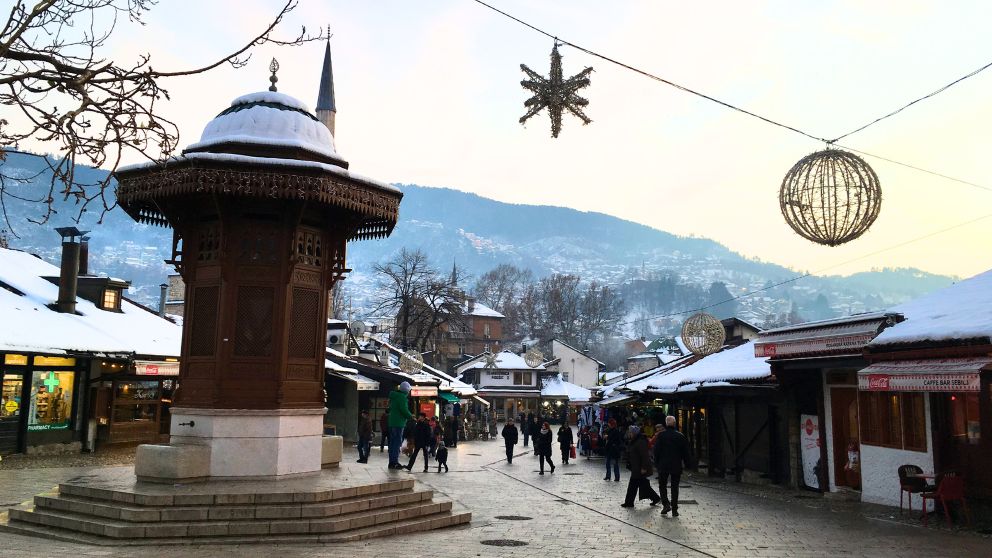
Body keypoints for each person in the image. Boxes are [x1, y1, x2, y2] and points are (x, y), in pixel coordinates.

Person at [654, 415, 692, 516]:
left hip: (663, 465)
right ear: (674, 424)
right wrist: (688, 464)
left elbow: (656, 451)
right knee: (675, 487)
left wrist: (656, 463)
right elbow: (685, 452)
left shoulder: (661, 436)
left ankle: (666, 504)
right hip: (676, 465)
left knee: (662, 485)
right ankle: (674, 509)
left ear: (666, 424)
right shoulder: (680, 436)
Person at [621, 425, 661, 508]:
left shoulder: (640, 441)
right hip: (636, 467)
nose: (629, 433)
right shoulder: (634, 440)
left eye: (631, 432)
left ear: (634, 433)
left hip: (640, 468)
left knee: (635, 485)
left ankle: (629, 502)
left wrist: (644, 468)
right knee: (641, 485)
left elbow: (644, 456)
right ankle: (655, 498)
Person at [387, 381, 414, 469]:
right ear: (406, 390)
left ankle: (391, 462)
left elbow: (390, 408)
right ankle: (394, 462)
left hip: (392, 422)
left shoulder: (394, 397)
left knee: (392, 443)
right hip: (398, 423)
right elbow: (404, 410)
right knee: (396, 443)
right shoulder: (402, 397)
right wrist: (411, 416)